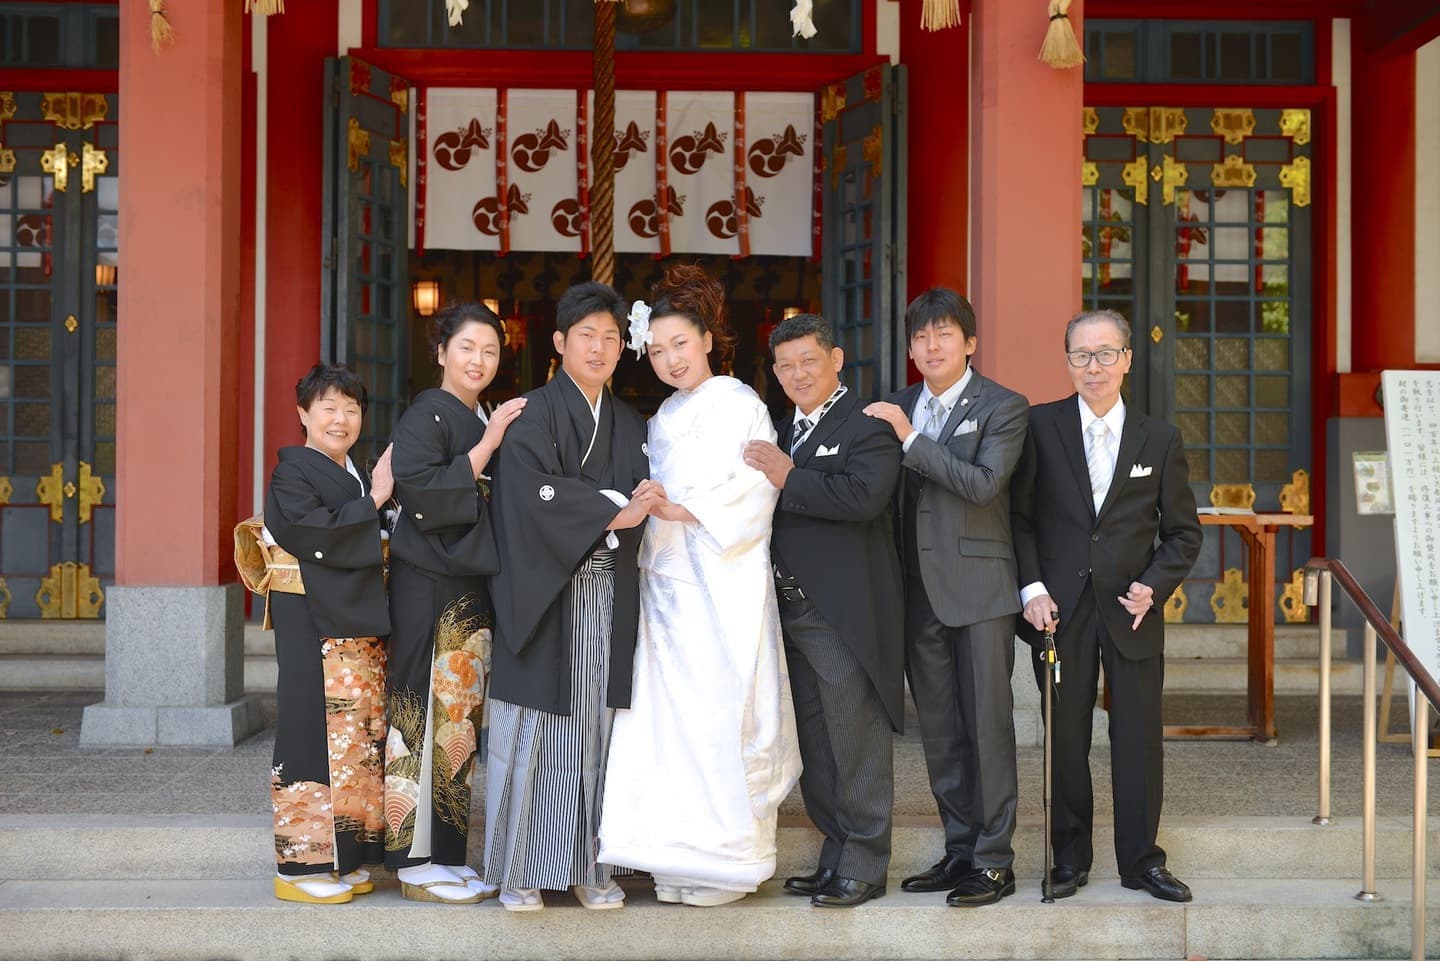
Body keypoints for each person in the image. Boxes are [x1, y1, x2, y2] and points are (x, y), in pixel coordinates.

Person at [599, 265, 801, 908]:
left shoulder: (742, 404)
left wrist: (681, 509)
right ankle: (672, 858)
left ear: (708, 339)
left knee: (720, 715)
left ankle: (727, 861)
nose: (669, 360)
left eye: (679, 345)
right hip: (666, 585)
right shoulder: (659, 418)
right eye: (655, 351)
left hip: (722, 581)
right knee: (667, 724)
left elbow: (753, 491)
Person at [1010, 308, 1202, 903]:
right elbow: (1017, 519)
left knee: (1139, 739)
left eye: (1105, 354)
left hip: (1131, 609)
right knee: (1065, 738)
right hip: (1060, 612)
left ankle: (1143, 860)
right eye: (1081, 356)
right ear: (1067, 361)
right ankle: (1068, 858)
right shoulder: (1039, 427)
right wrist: (1032, 589)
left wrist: (1155, 583)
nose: (1093, 367)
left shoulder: (1159, 438)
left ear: (1127, 358)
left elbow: (1183, 533)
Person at [483, 281, 654, 912]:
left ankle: (589, 866)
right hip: (545, 594)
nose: (601, 348)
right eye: (587, 335)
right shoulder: (532, 414)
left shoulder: (631, 423)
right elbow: (527, 498)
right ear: (559, 343)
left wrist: (645, 506)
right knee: (538, 733)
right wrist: (614, 508)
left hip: (606, 598)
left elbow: (646, 497)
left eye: (611, 337)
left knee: (597, 735)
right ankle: (522, 871)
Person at [864, 288, 1029, 907]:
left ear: (970, 342)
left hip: (982, 592)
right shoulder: (896, 404)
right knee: (940, 729)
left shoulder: (1004, 407)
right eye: (921, 337)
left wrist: (911, 439)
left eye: (944, 335)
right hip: (914, 592)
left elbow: (984, 486)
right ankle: (960, 849)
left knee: (987, 725)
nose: (932, 346)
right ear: (910, 348)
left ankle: (994, 859)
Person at [744, 313, 904, 909]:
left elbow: (864, 499)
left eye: (808, 360)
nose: (796, 373)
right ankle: (836, 853)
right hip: (786, 612)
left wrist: (790, 475)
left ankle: (866, 863)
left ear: (836, 360)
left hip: (842, 612)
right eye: (784, 365)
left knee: (854, 738)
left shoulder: (868, 426)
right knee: (813, 740)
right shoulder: (782, 428)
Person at [383, 301, 526, 904]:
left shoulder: (479, 414)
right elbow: (424, 494)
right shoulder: (428, 414)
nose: (479, 360)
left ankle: (444, 851)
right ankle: (410, 856)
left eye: (490, 351)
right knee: (419, 707)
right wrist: (490, 443)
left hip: (468, 590)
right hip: (427, 583)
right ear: (441, 352)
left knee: (459, 720)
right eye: (467, 347)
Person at [263, 363, 392, 904]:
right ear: (303, 415)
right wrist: (376, 502)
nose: (341, 419)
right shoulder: (292, 473)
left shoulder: (352, 473)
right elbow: (316, 534)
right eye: (329, 408)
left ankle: (344, 855)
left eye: (352, 408)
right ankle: (299, 866)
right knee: (311, 732)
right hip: (311, 620)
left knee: (355, 737)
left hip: (352, 620)